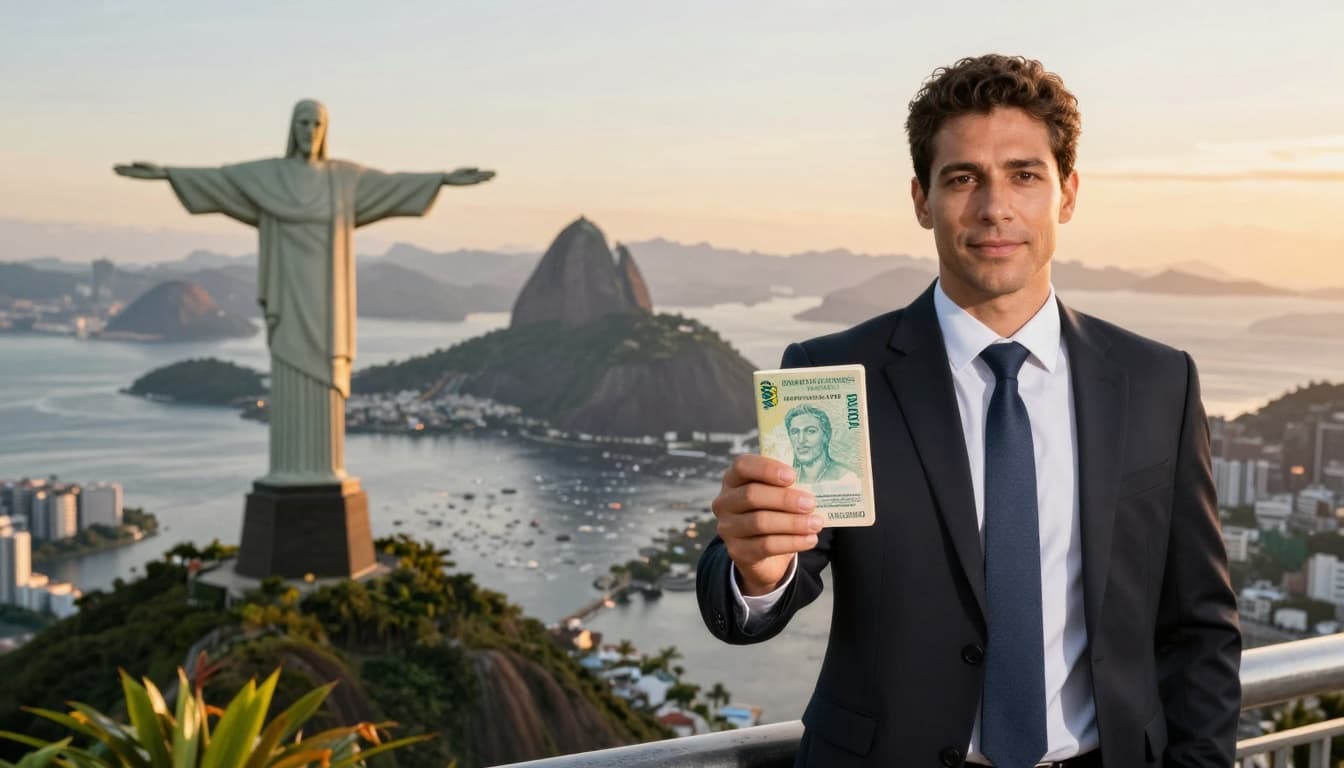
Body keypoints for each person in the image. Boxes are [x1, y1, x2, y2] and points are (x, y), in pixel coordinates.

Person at [697, 55, 1241, 767]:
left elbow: (1199, 624)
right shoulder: (834, 376)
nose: (994, 209)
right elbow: (768, 584)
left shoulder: (1158, 381)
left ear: (1066, 193)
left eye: (1024, 174)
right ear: (921, 199)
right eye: (962, 179)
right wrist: (759, 572)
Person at [114, 100, 494, 485]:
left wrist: (442, 179)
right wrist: (166, 174)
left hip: (329, 296)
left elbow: (394, 183)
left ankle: (326, 469)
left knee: (326, 370)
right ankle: (288, 469)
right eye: (302, 123)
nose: (309, 131)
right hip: (287, 292)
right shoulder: (269, 175)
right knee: (290, 370)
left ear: (325, 130)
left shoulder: (344, 179)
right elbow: (220, 180)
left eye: (317, 124)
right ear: (291, 129)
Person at [785, 404, 858, 484]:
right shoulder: (787, 477)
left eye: (810, 431)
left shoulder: (846, 477)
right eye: (795, 432)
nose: (801, 440)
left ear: (826, 435)